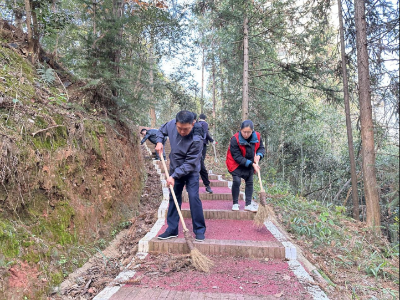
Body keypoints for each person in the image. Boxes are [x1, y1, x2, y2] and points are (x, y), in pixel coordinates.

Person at [155, 110, 206, 241]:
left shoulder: (197, 138)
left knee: (194, 197)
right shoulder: (171, 124)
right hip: (175, 166)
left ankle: (199, 229)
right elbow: (161, 131)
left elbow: (190, 163)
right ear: (176, 123)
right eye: (179, 128)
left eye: (186, 129)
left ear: (193, 124)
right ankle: (172, 229)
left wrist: (173, 176)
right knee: (174, 197)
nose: (182, 132)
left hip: (191, 170)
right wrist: (160, 141)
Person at [225, 120, 266, 212]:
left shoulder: (257, 136)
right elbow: (237, 157)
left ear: (252, 131)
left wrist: (259, 155)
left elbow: (261, 148)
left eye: (249, 132)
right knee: (236, 181)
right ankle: (235, 203)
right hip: (236, 164)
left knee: (250, 182)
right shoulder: (235, 139)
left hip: (250, 162)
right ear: (240, 130)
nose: (246, 134)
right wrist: (252, 164)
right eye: (244, 132)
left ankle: (248, 204)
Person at [197, 113, 215, 194]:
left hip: (197, 145)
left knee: (200, 165)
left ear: (199, 118)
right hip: (201, 145)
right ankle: (207, 186)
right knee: (201, 164)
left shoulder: (196, 124)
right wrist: (211, 140)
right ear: (205, 118)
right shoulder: (205, 124)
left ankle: (207, 186)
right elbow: (206, 133)